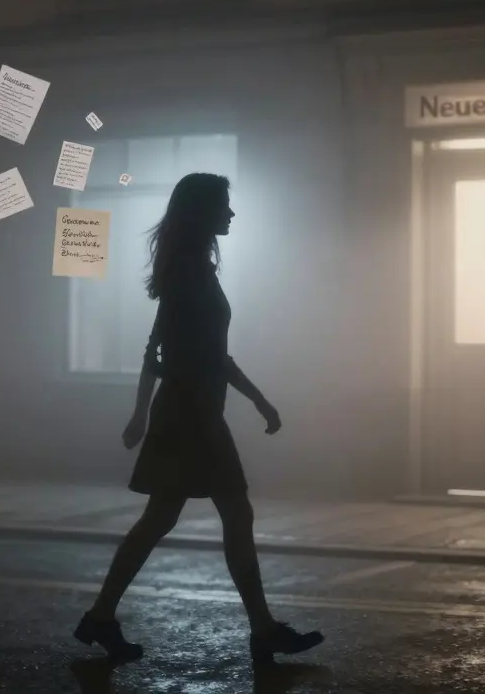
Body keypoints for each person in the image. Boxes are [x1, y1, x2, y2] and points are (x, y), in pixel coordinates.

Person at [73, 173, 323, 665]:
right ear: (203, 212)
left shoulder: (192, 270)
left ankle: (104, 617)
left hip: (195, 414)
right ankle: (261, 630)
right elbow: (177, 352)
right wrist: (257, 401)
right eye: (224, 206)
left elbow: (180, 351)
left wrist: (253, 400)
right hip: (189, 418)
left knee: (173, 519)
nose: (231, 214)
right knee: (216, 514)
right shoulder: (189, 273)